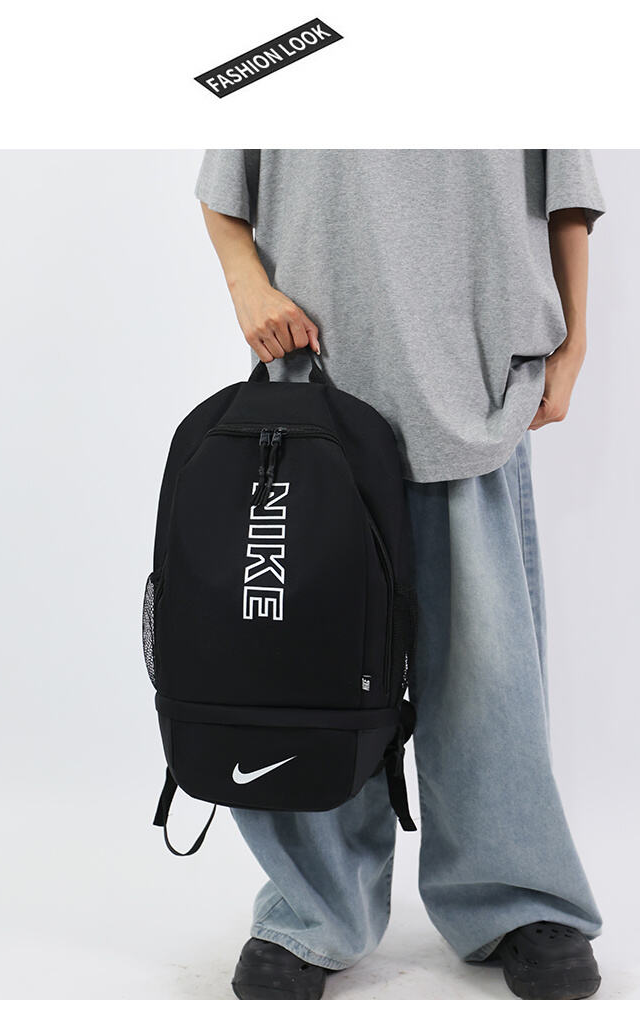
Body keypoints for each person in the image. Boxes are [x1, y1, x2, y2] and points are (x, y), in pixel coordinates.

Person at [194, 150, 605, 1001]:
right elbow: (225, 185)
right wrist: (247, 287)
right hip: (315, 392)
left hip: (477, 387)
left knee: (488, 680)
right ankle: (313, 910)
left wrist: (576, 343)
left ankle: (515, 899)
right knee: (309, 673)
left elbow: (568, 193)